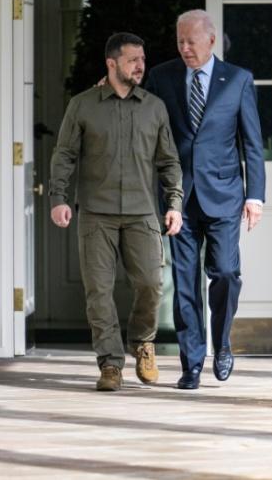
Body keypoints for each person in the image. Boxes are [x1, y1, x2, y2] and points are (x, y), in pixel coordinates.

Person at [49, 32, 183, 392]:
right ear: (111, 64)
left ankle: (143, 342)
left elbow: (168, 161)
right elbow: (64, 155)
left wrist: (174, 203)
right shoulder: (83, 105)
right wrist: (58, 198)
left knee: (151, 284)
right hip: (97, 215)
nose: (141, 65)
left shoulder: (154, 107)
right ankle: (109, 364)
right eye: (132, 60)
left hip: (142, 214)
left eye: (142, 58)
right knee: (99, 292)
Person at [146, 10, 266, 389]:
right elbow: (144, 123)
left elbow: (252, 144)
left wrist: (255, 196)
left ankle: (223, 342)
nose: (184, 49)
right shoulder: (162, 77)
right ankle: (191, 363)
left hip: (225, 195)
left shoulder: (239, 80)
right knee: (184, 283)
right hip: (177, 198)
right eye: (180, 41)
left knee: (226, 273)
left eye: (191, 42)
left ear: (211, 41)